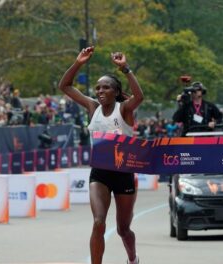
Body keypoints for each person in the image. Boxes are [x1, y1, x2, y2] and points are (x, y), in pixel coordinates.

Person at [58, 46, 143, 264]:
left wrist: (125, 69)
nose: (100, 91)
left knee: (124, 229)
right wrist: (78, 63)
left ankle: (132, 259)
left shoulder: (124, 109)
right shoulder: (92, 107)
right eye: (98, 88)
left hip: (124, 173)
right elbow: (64, 86)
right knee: (98, 222)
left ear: (115, 91)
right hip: (100, 174)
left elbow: (139, 97)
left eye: (106, 87)